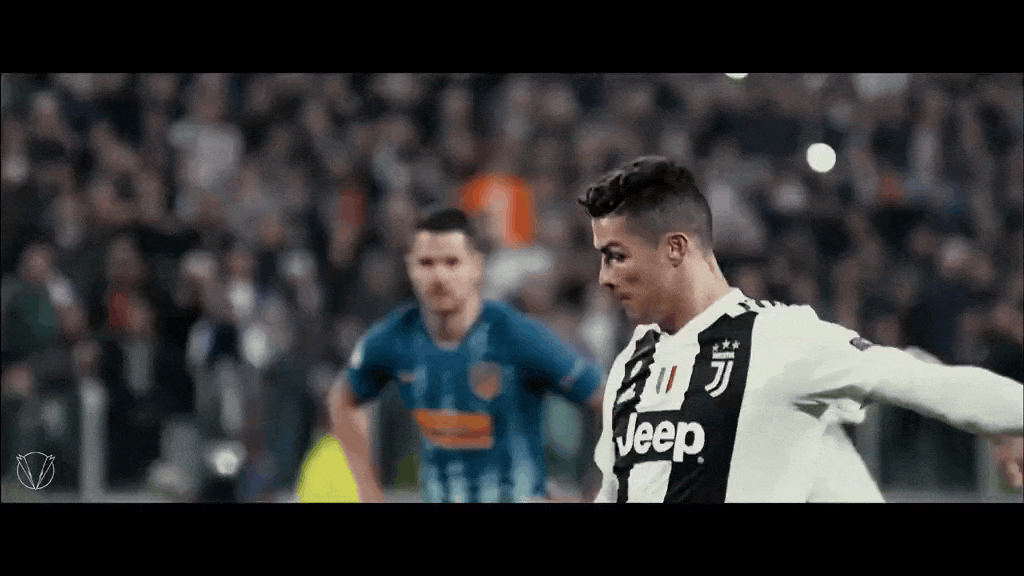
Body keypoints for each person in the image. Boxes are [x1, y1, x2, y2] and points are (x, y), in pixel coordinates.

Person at [577, 155, 1023, 503]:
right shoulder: (632, 363)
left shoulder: (779, 339)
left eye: (616, 256)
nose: (604, 278)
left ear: (675, 248)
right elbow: (616, 491)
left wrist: (1005, 424)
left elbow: (918, 380)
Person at [329, 208, 603, 502]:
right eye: (426, 263)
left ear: (476, 266)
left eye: (452, 262)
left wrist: (598, 487)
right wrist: (368, 491)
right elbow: (342, 399)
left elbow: (605, 399)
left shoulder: (514, 335)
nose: (439, 276)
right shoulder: (396, 336)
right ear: (410, 268)